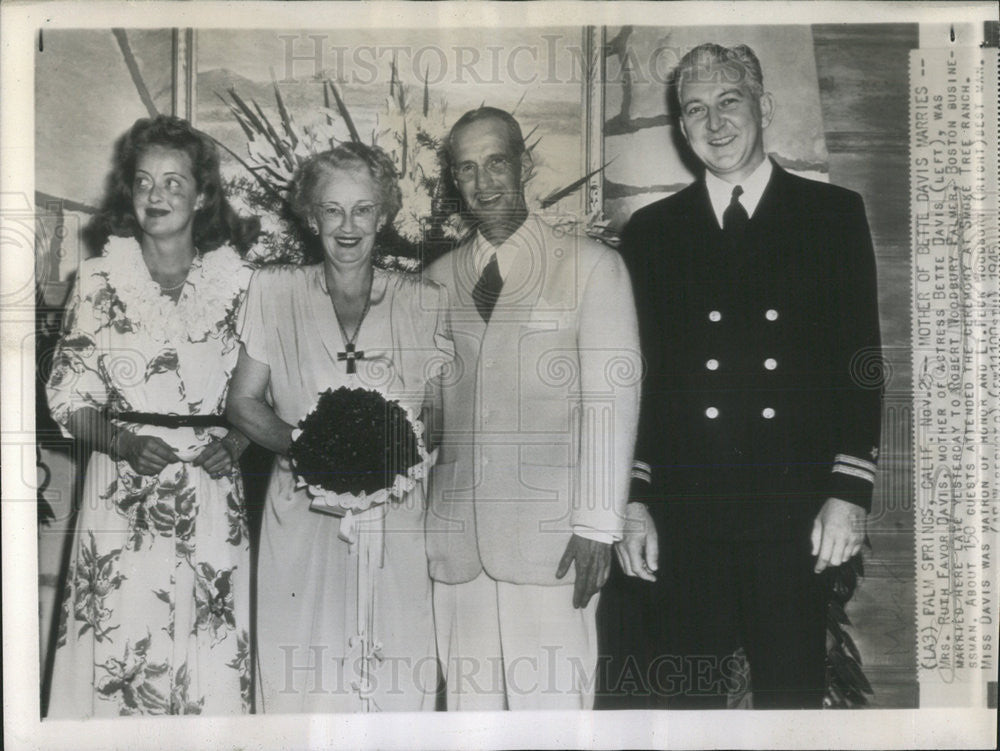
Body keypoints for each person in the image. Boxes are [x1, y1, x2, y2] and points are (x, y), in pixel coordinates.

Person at [596, 43, 883, 709]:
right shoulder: (654, 232)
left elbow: (861, 363)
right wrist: (635, 500)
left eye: (730, 101)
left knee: (789, 701)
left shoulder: (832, 216)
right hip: (686, 515)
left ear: (765, 106)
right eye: (695, 109)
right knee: (683, 701)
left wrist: (850, 491)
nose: (714, 122)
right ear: (681, 124)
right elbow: (643, 381)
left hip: (795, 515)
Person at [423, 107, 641, 710]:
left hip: (554, 546)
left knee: (552, 721)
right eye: (467, 169)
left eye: (496, 162)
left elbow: (611, 400)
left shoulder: (592, 267)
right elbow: (433, 413)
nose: (484, 181)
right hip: (457, 546)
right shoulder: (435, 280)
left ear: (525, 165)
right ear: (453, 180)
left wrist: (598, 525)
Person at [45, 115, 259, 717]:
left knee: (207, 659)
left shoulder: (242, 285)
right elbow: (67, 396)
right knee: (119, 649)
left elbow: (265, 392)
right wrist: (119, 443)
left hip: (211, 490)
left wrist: (240, 441)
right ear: (129, 193)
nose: (157, 195)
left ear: (204, 194)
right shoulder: (95, 281)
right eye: (144, 182)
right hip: (121, 491)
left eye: (173, 181)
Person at [226, 143, 452, 713]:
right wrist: (315, 452)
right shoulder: (273, 291)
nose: (347, 226)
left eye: (362, 210)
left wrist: (389, 460)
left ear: (383, 215)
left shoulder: (425, 301)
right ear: (311, 216)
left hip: (395, 519)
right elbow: (244, 404)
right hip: (300, 516)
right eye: (332, 210)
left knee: (396, 672)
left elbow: (440, 421)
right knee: (302, 672)